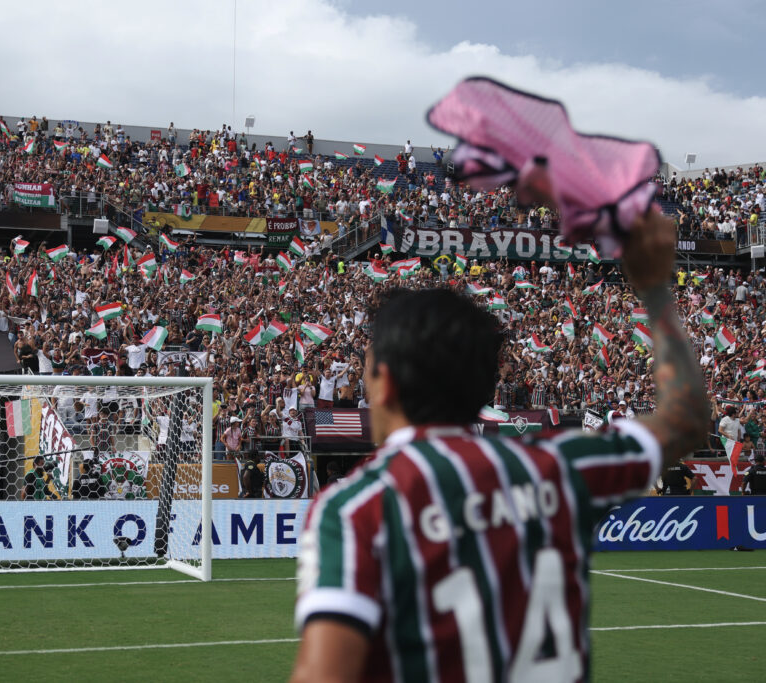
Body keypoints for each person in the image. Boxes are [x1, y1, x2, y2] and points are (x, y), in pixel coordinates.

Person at [291, 209, 708, 682]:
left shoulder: (355, 509)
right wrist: (654, 290)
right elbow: (685, 417)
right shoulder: (560, 465)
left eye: (365, 372)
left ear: (384, 384)